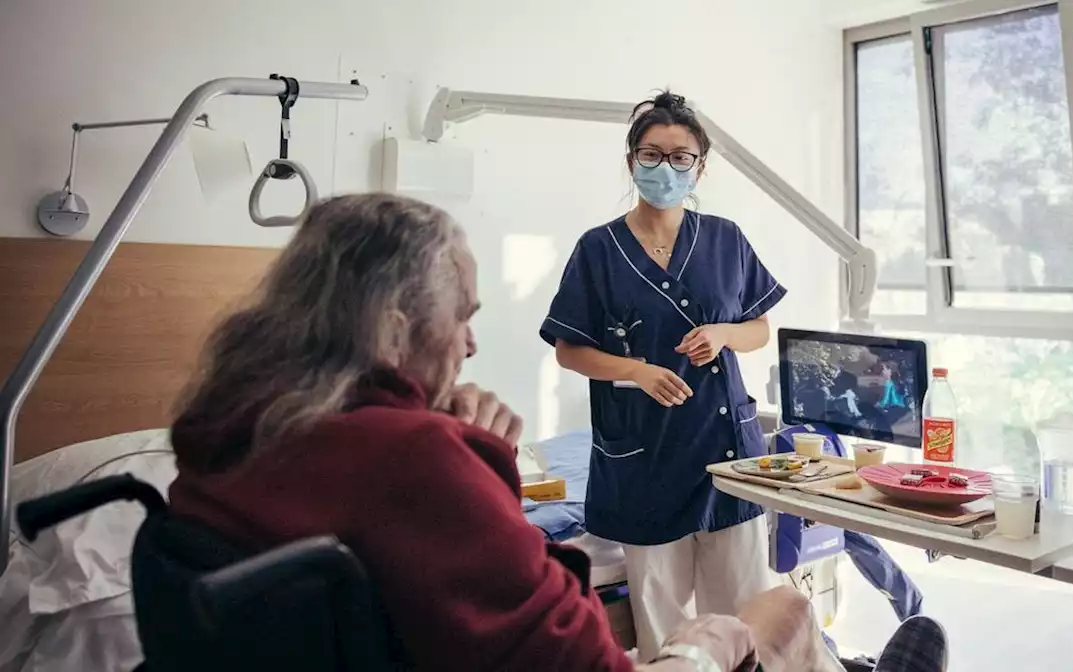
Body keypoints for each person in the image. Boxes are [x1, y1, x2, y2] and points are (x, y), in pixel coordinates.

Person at [165, 193, 848, 671]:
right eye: (461, 317)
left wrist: (449, 446)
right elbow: (577, 652)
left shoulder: (228, 435)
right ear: (396, 323)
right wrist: (474, 460)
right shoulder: (418, 456)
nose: (469, 346)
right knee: (780, 611)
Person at [540, 91, 785, 661]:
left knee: (742, 622)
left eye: (681, 156)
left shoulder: (725, 239)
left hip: (726, 450)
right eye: (652, 154)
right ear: (632, 162)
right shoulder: (598, 249)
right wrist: (637, 371)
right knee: (661, 626)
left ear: (699, 167)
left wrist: (724, 333)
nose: (666, 167)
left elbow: (759, 329)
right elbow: (569, 351)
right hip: (643, 458)